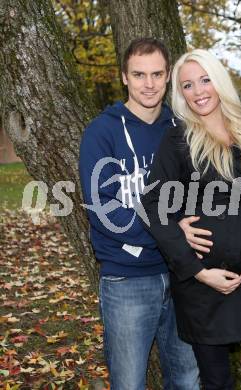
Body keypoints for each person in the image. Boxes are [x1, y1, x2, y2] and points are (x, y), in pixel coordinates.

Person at [141, 49, 241, 389]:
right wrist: (197, 271)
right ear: (180, 94)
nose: (198, 92)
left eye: (205, 80)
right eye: (187, 85)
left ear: (219, 81)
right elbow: (153, 204)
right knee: (216, 383)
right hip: (203, 287)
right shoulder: (178, 140)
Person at [79, 38, 200, 390]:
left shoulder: (182, 129)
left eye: (157, 74)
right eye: (139, 74)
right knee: (129, 383)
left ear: (168, 78)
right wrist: (173, 235)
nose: (148, 84)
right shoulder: (102, 132)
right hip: (128, 278)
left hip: (183, 273)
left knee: (188, 379)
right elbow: (104, 209)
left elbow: (202, 193)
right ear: (124, 78)